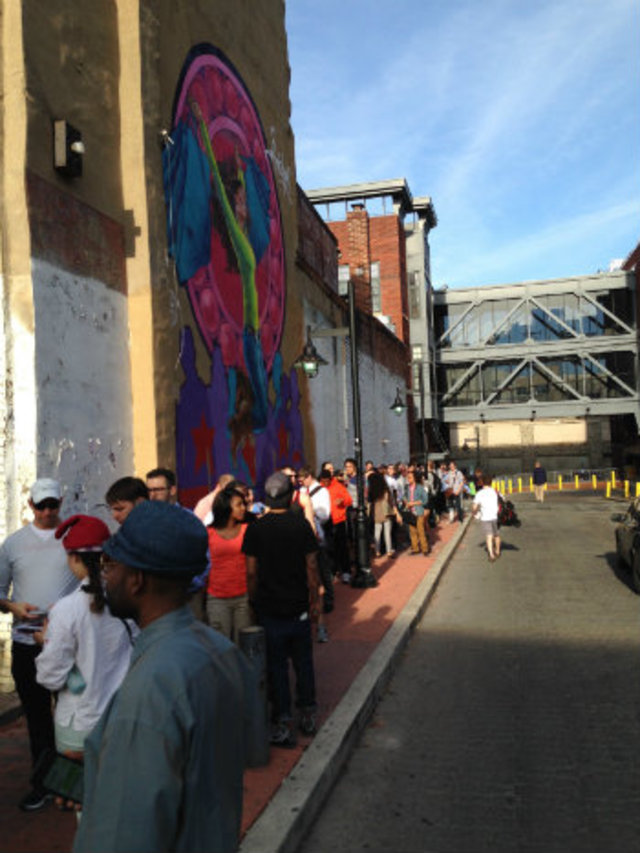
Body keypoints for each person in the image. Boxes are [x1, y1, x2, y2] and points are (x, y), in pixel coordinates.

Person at [73, 501, 258, 853]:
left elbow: (124, 837)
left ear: (137, 580)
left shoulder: (151, 687)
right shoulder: (221, 651)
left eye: (111, 565)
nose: (106, 576)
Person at [0, 478, 78, 811]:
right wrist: (14, 607)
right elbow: (0, 593)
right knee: (37, 718)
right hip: (27, 642)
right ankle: (44, 783)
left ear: (61, 501)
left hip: (68, 643)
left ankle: (72, 785)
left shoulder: (73, 538)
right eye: (41, 505)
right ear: (30, 504)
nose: (47, 512)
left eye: (52, 505)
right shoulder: (13, 544)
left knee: (72, 716)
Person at [35, 515, 135, 759]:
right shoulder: (130, 600)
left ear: (74, 558)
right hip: (122, 719)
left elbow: (50, 677)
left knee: (80, 783)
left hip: (80, 723)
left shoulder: (66, 609)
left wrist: (45, 641)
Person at [243, 471, 319, 748]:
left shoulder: (256, 529)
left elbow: (251, 572)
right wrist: (315, 601)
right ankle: (308, 713)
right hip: (298, 605)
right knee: (303, 662)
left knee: (275, 666)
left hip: (268, 606)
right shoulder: (301, 526)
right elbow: (312, 567)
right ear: (290, 497)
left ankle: (283, 721)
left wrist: (253, 601)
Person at [206, 485, 251, 642]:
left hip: (243, 597)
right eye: (239, 504)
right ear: (226, 507)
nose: (243, 508)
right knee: (221, 645)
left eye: (244, 504)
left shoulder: (247, 530)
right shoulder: (208, 533)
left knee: (243, 645)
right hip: (217, 599)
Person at [472, 470, 501, 561]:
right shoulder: (494, 492)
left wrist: (474, 512)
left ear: (482, 482)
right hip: (494, 516)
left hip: (485, 517)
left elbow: (474, 507)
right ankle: (498, 551)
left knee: (489, 536)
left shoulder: (480, 493)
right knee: (496, 535)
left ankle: (491, 554)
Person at [368, 471, 398, 558]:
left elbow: (369, 502)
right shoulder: (385, 489)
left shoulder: (372, 490)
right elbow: (390, 500)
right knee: (387, 532)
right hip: (386, 511)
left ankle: (377, 551)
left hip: (376, 512)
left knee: (377, 532)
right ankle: (389, 551)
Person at [402, 468, 431, 556]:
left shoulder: (420, 488)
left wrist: (413, 503)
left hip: (418, 512)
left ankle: (425, 548)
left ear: (414, 478)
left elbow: (425, 500)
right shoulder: (407, 488)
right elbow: (403, 496)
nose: (408, 479)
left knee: (420, 530)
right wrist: (406, 502)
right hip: (410, 512)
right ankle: (415, 548)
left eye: (410, 477)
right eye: (408, 477)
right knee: (412, 531)